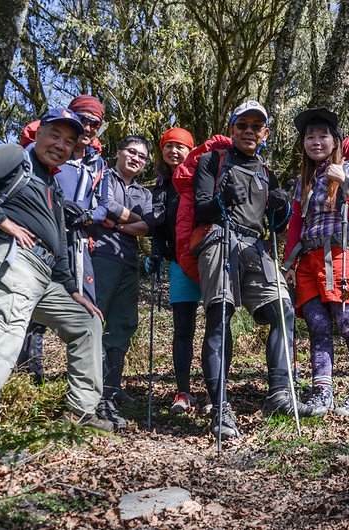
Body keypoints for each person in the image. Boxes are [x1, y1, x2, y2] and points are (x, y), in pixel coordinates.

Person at [0, 108, 113, 440]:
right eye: (55, 135)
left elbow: (58, 243)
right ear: (39, 133)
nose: (60, 145)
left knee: (86, 323)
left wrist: (73, 291)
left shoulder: (53, 185)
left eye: (68, 141)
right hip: (12, 259)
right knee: (2, 340)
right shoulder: (17, 157)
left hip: (46, 274)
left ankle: (81, 413)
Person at [193, 100, 310, 440]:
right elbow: (201, 210)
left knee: (283, 308)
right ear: (231, 129)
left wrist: (283, 208)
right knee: (221, 316)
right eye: (241, 125)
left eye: (255, 126)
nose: (248, 131)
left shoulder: (265, 171)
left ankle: (279, 394)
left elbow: (274, 224)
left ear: (265, 133)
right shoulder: (211, 161)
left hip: (255, 245)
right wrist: (220, 200)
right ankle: (220, 407)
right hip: (219, 239)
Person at [283, 107, 349, 418]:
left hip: (342, 254)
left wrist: (345, 186)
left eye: (323, 135)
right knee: (318, 326)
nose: (316, 142)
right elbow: (296, 222)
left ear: (336, 141)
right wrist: (288, 264)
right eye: (310, 137)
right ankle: (323, 393)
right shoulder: (303, 180)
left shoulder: (348, 170)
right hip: (307, 260)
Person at [16, 95, 108, 385]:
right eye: (84, 120)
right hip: (40, 238)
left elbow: (104, 203)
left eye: (96, 123)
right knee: (32, 309)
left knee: (86, 311)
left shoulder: (97, 164)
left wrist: (89, 216)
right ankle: (29, 378)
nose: (90, 127)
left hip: (79, 242)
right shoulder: (46, 153)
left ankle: (84, 389)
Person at [93, 135, 155, 430]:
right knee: (94, 320)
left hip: (129, 261)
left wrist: (118, 223)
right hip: (101, 255)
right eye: (131, 152)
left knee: (125, 323)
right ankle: (90, 392)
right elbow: (104, 205)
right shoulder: (103, 175)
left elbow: (146, 225)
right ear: (118, 152)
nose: (135, 159)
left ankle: (111, 387)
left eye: (141, 157)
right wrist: (126, 221)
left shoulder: (145, 192)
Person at [150, 128, 202, 414]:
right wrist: (157, 254)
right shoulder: (161, 187)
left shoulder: (202, 178)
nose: (174, 151)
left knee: (217, 325)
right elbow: (159, 229)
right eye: (168, 146)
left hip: (208, 258)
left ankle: (216, 391)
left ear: (190, 150)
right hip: (178, 262)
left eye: (180, 147)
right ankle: (183, 391)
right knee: (183, 328)